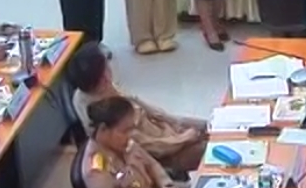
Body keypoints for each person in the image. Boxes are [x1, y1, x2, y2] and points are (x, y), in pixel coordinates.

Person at [69, 42, 207, 175]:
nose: (109, 72)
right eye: (106, 69)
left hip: (162, 129)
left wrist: (175, 122)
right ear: (101, 80)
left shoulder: (101, 87)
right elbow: (151, 147)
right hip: (163, 153)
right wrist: (183, 138)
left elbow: (140, 104)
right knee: (212, 148)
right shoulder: (106, 115)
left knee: (211, 125)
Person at [81, 96, 196, 188]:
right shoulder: (97, 172)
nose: (130, 136)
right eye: (124, 131)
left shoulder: (121, 143)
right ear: (103, 129)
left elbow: (152, 164)